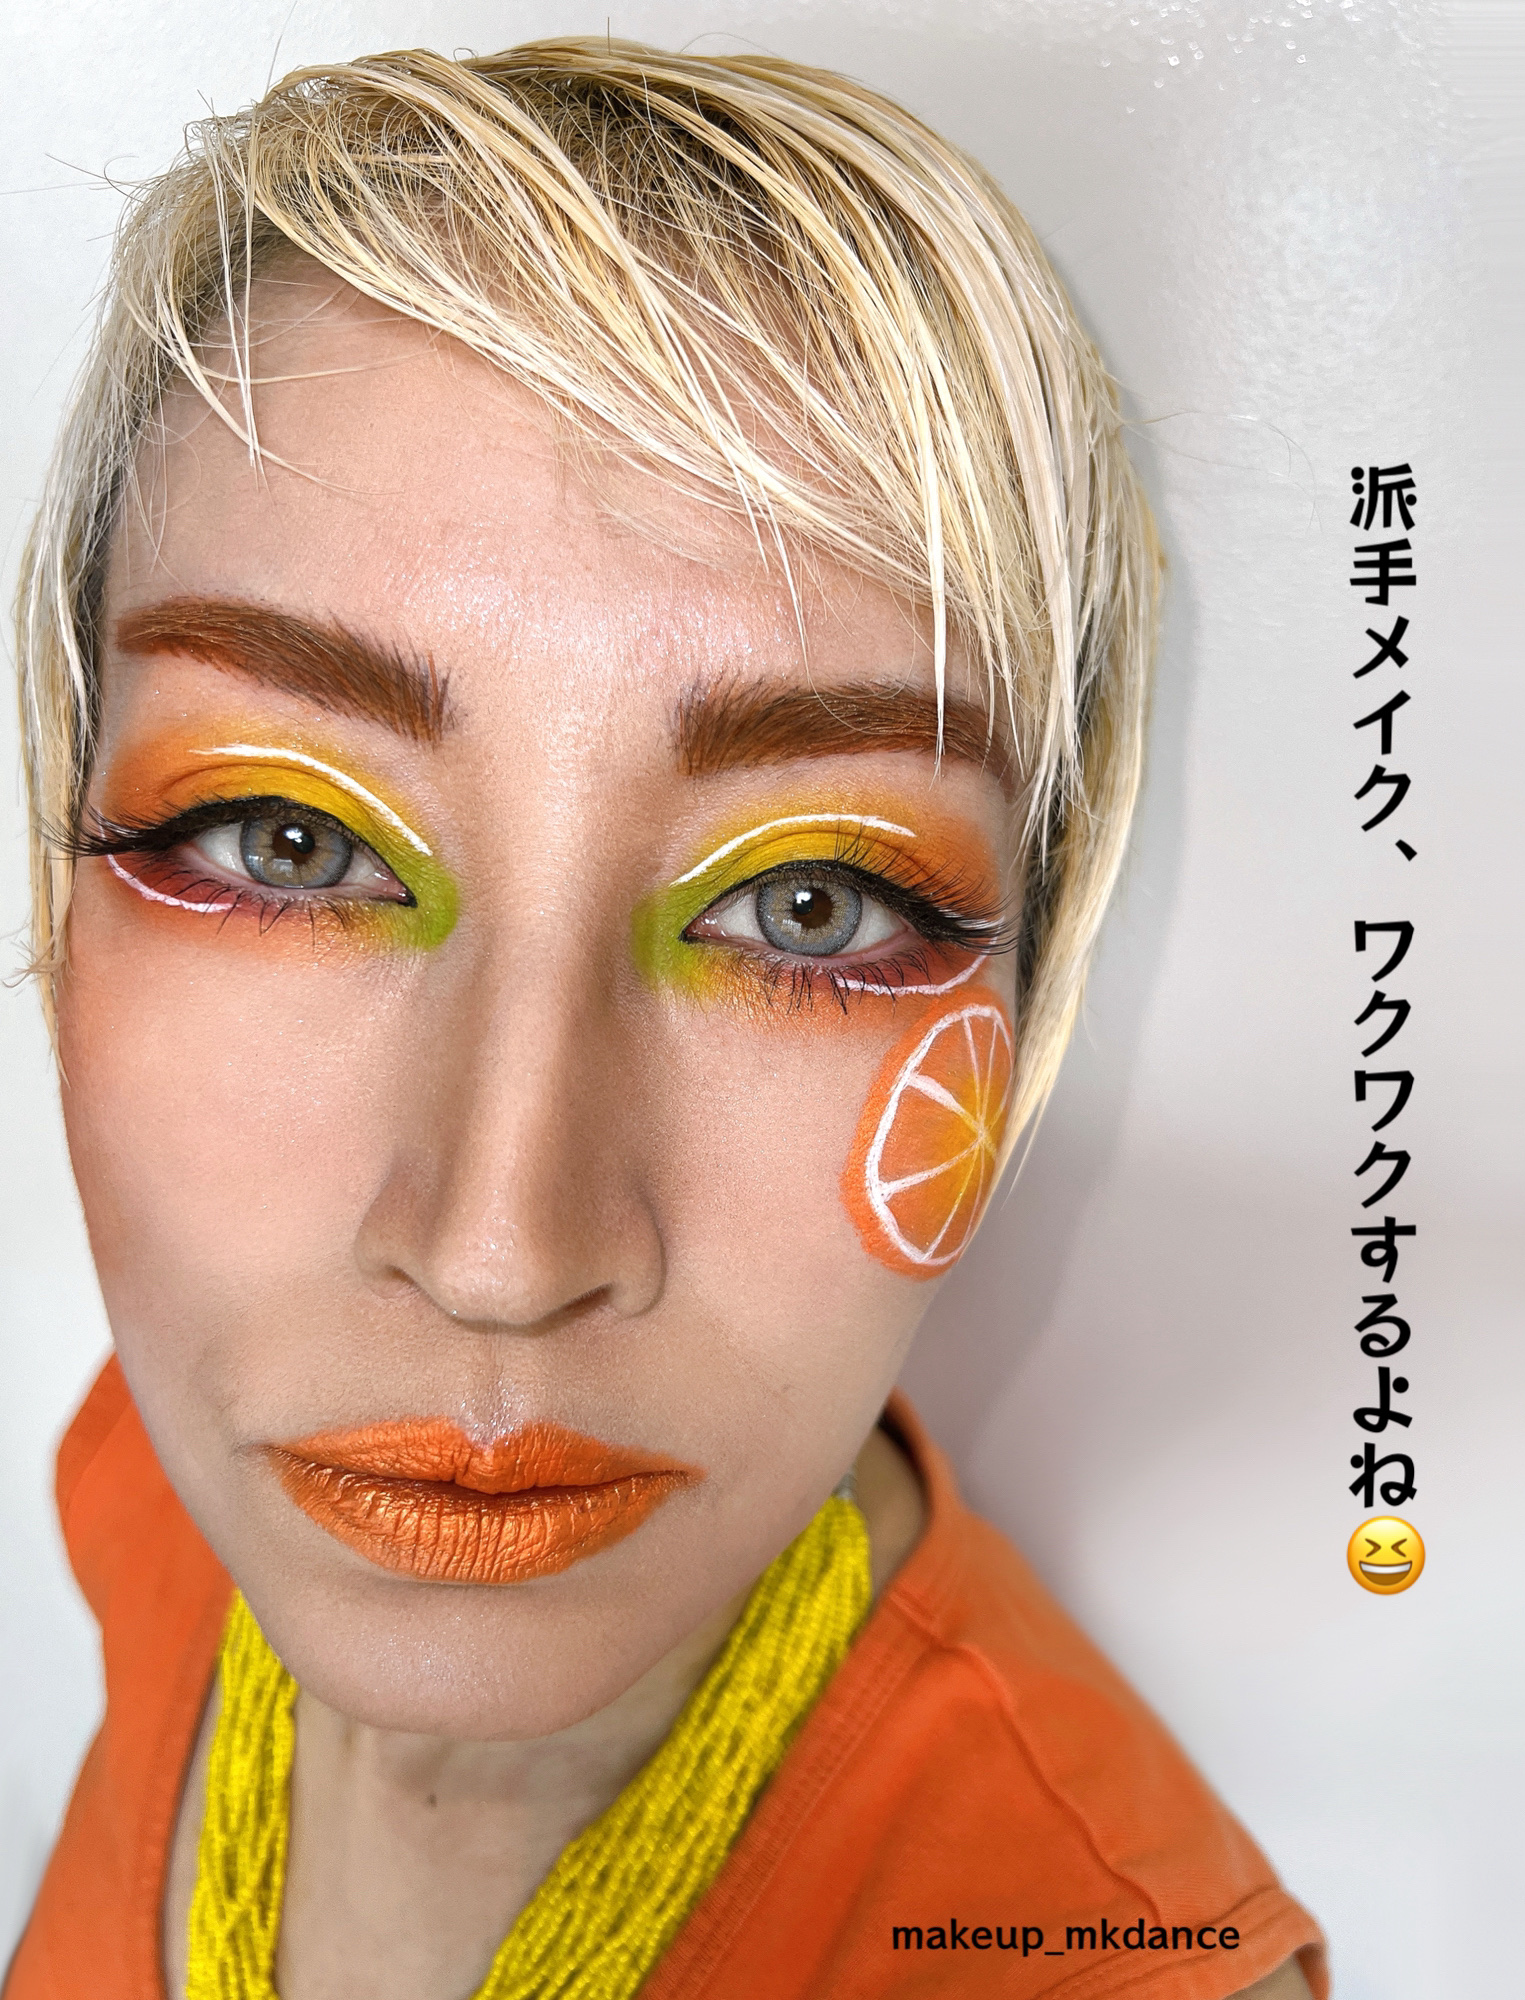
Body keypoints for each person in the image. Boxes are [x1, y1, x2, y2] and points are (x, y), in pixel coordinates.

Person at [5, 37, 1325, 2000]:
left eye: (812, 905)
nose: (496, 1253)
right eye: (287, 841)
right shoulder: (155, 1475)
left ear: (1034, 992)